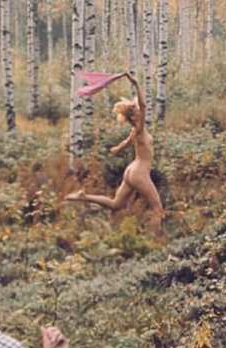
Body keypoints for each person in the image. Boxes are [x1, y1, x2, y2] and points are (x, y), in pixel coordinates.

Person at [64, 71, 165, 233]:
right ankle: (156, 240)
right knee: (157, 208)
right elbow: (144, 105)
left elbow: (126, 142)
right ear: (135, 116)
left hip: (131, 170)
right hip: (139, 172)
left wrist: (117, 148)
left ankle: (84, 197)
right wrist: (135, 84)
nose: (140, 111)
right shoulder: (139, 128)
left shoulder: (135, 131)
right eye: (137, 110)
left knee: (116, 204)